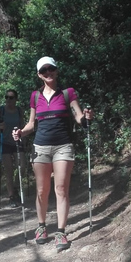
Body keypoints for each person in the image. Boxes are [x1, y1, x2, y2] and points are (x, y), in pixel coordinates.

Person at [12, 57, 93, 251]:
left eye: (51, 69)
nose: (48, 73)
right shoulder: (35, 96)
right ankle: (41, 227)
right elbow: (32, 123)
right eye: (44, 70)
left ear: (56, 71)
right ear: (39, 74)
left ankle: (61, 232)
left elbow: (79, 117)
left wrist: (87, 118)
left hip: (63, 146)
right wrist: (21, 132)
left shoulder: (68, 93)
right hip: (40, 147)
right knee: (41, 190)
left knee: (61, 189)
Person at [0, 89, 25, 208]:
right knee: (8, 170)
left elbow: (23, 124)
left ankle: (16, 188)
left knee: (22, 166)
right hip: (5, 143)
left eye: (11, 97)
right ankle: (11, 196)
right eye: (6, 97)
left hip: (17, 142)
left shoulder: (19, 110)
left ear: (16, 99)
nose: (8, 100)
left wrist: (24, 137)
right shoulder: (1, 110)